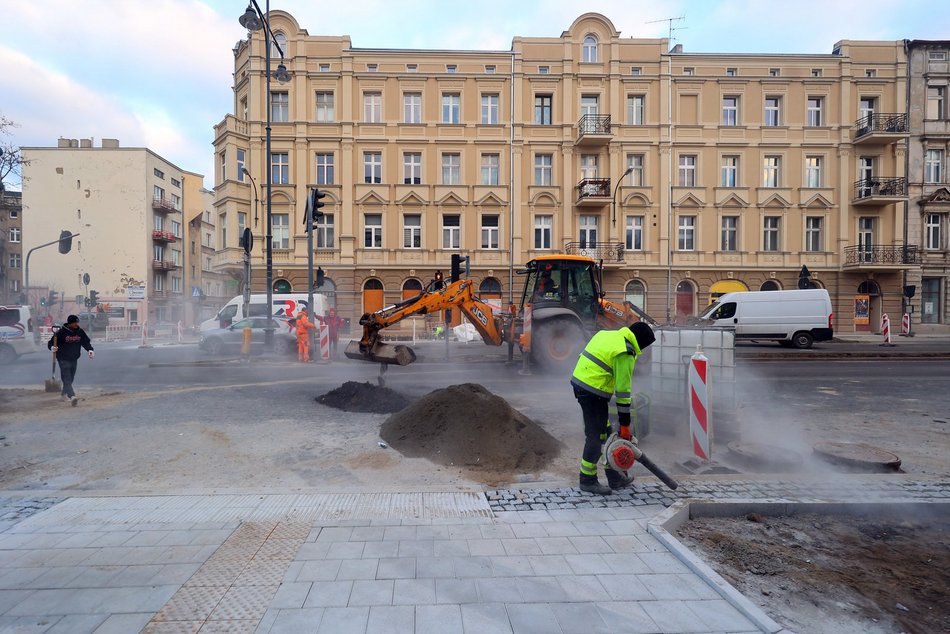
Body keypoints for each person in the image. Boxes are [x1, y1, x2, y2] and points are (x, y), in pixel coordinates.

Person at [570, 322, 656, 495]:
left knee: (608, 434)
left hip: (583, 384)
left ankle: (615, 477)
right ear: (641, 343)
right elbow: (623, 394)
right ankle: (587, 480)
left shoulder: (609, 335)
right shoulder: (625, 351)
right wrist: (625, 425)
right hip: (592, 391)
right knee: (596, 435)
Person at [47, 314, 95, 406]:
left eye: (77, 322)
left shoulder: (80, 332)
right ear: (69, 323)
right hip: (63, 358)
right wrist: (52, 347)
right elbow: (51, 342)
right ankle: (72, 396)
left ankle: (63, 394)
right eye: (74, 323)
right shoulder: (61, 333)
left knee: (70, 378)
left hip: (74, 358)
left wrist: (90, 349)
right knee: (67, 377)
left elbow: (85, 342)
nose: (76, 324)